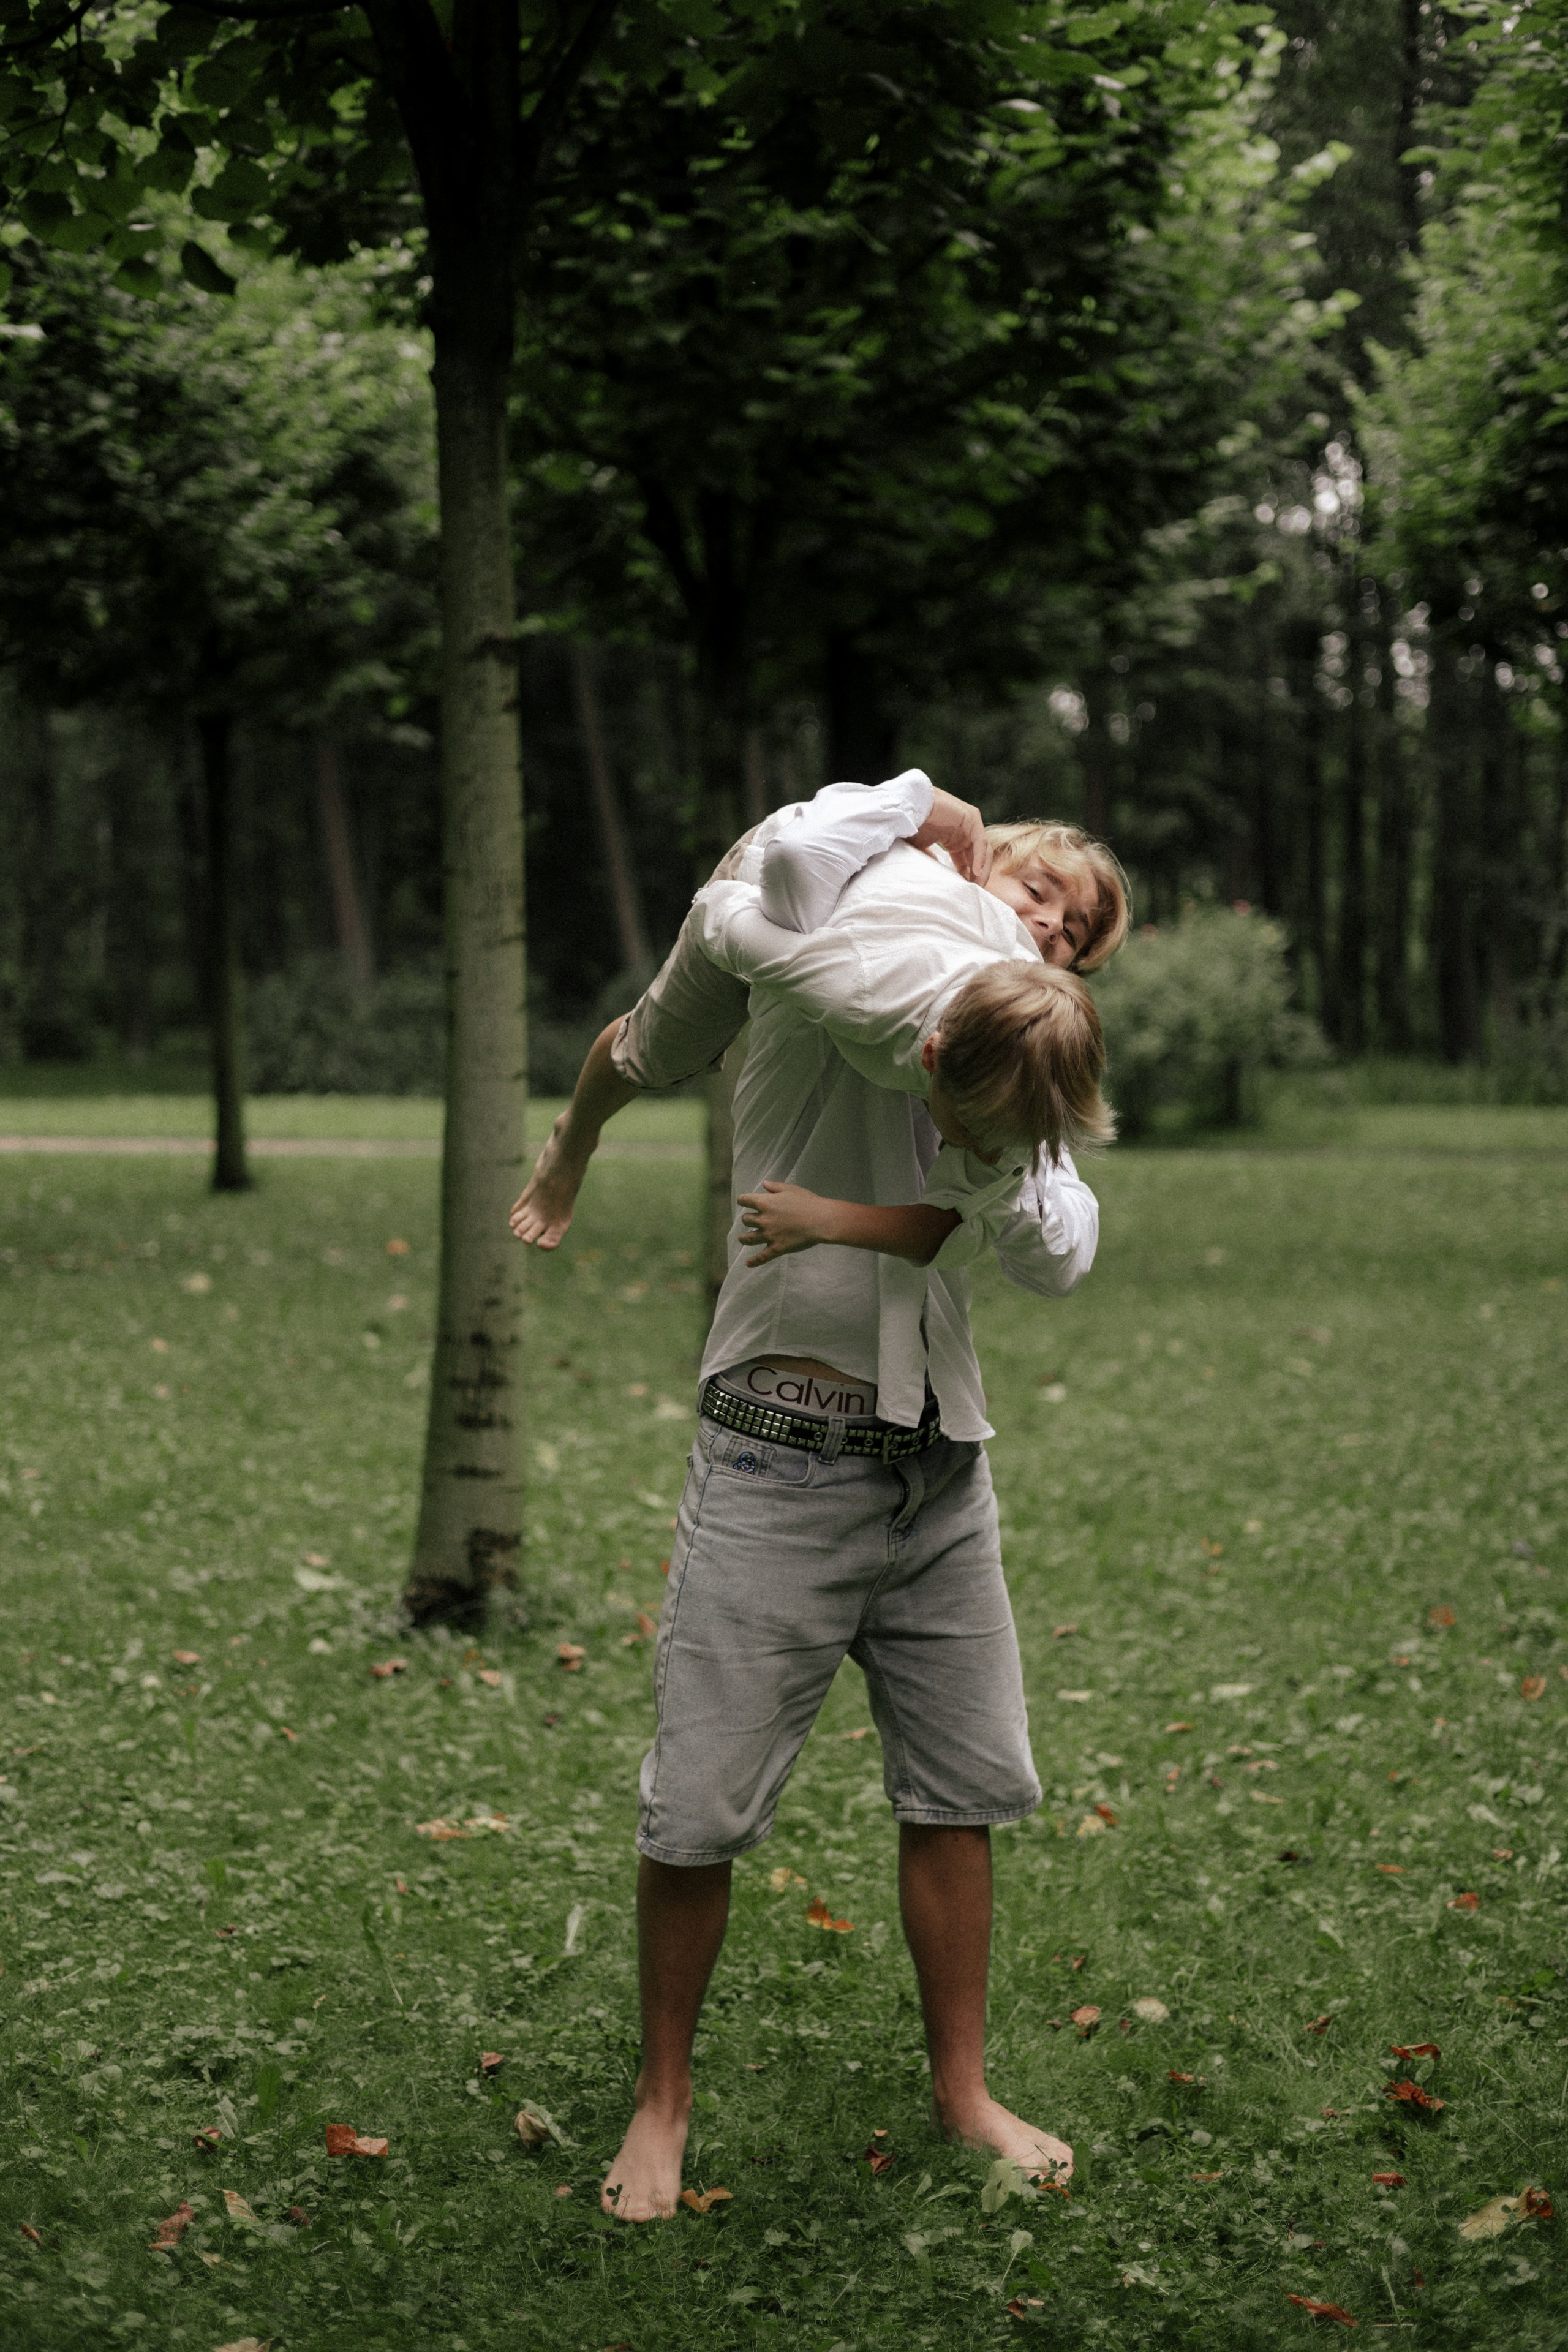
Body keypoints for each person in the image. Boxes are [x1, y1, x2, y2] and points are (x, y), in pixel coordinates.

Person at [511, 776, 1126, 2222]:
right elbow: (780, 881)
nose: (1046, 923)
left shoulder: (1025, 1063)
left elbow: (1055, 1247)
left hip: (938, 1464)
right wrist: (921, 810)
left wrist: (1003, 1159)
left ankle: (962, 2090)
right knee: (697, 1813)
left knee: (961, 1790)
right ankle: (659, 2109)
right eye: (1036, 889)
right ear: (976, 872)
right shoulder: (846, 953)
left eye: (1076, 933)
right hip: (777, 1449)